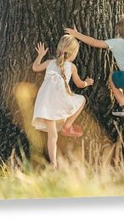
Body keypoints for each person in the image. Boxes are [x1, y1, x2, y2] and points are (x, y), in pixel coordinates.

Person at [32, 35, 94, 169]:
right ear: (73, 54)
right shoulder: (71, 67)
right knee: (81, 99)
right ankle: (67, 126)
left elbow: (35, 68)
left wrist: (40, 55)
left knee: (52, 135)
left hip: (46, 102)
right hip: (60, 99)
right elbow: (80, 84)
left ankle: (53, 163)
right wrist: (87, 82)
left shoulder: (49, 62)